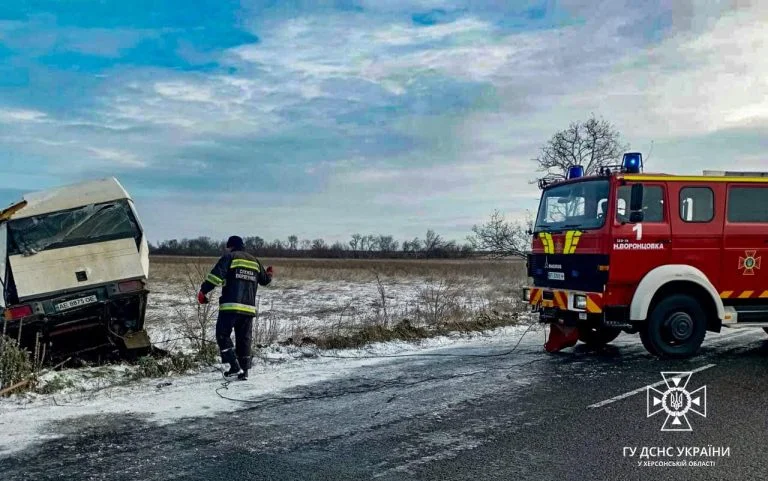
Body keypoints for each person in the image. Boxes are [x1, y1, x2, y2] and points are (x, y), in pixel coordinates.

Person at [197, 235, 273, 380]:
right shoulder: (254, 261)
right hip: (248, 309)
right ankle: (244, 371)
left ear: (230, 246)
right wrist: (269, 273)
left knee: (222, 335)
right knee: (244, 339)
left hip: (230, 306)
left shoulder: (230, 257)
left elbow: (215, 277)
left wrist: (203, 291)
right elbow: (265, 281)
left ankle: (234, 366)